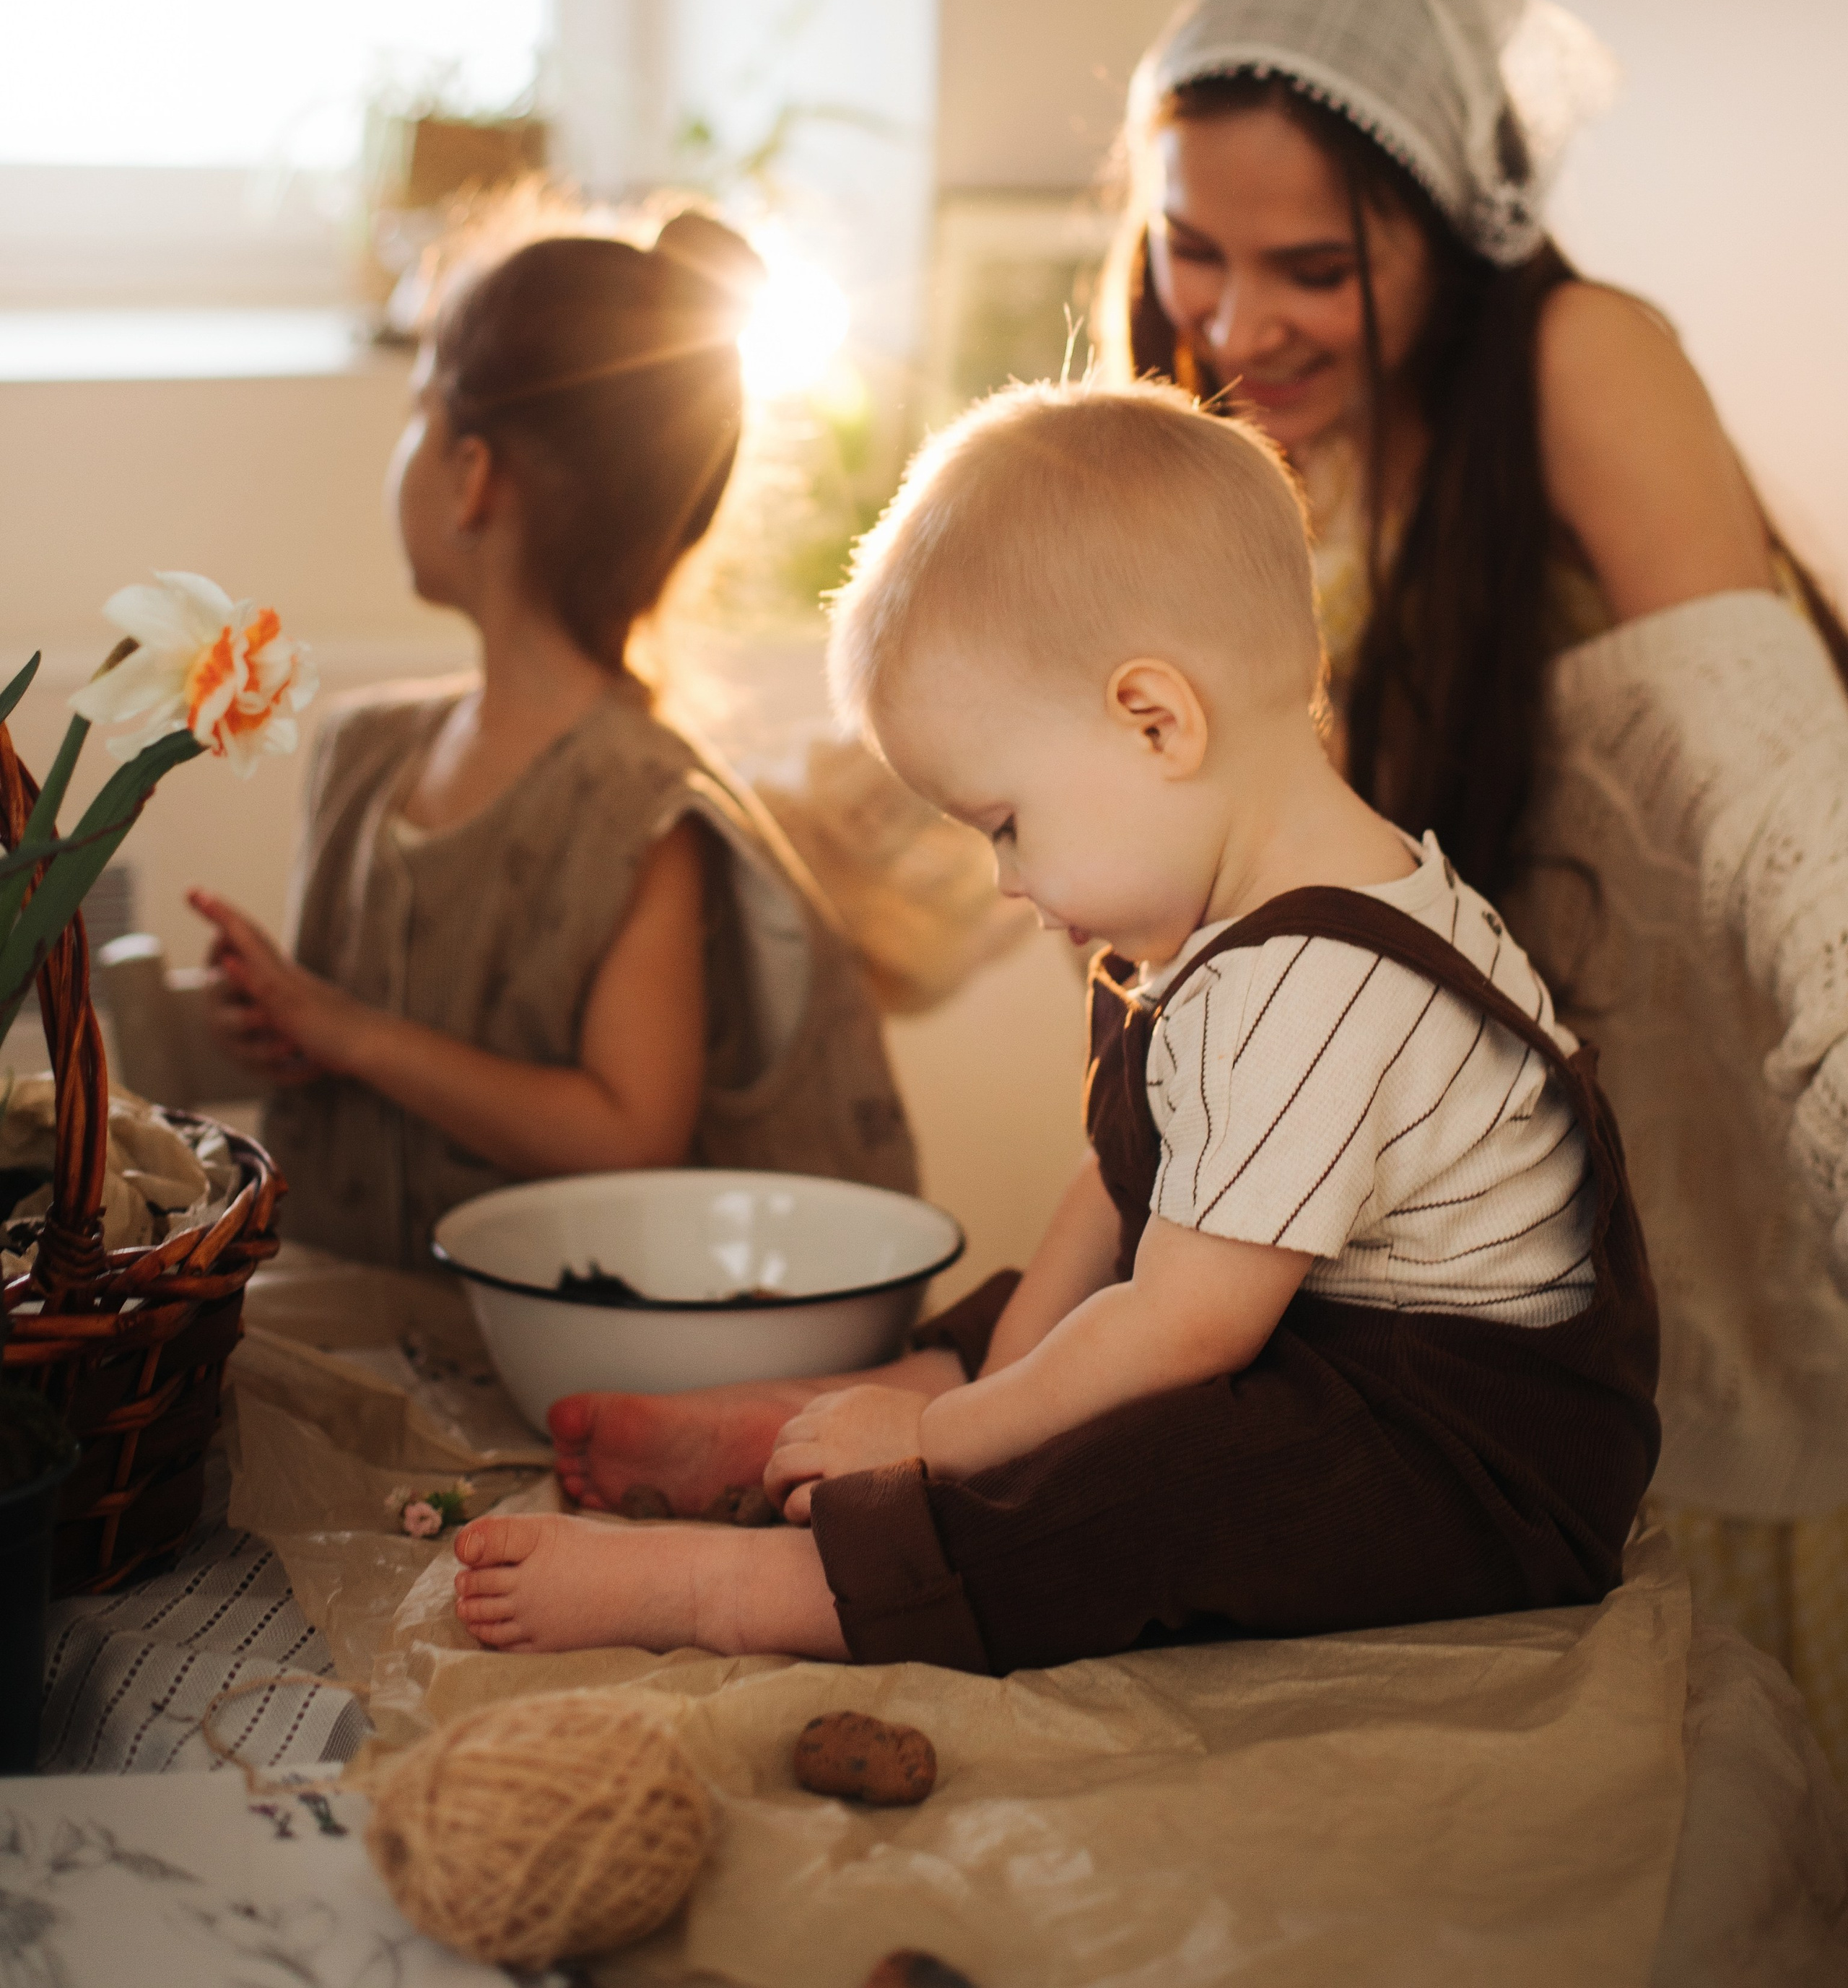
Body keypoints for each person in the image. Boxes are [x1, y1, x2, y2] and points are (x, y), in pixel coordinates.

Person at [451, 383, 1658, 1670]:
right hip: (1310, 1342)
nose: (1007, 883)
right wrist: (990, 1393)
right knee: (1055, 1319)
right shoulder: (1234, 923)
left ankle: (737, 1586)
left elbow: (1187, 1329)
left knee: (1138, 1488)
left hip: (1461, 1459)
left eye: (1007, 825)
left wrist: (946, 1448)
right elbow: (1116, 1188)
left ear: (1155, 722)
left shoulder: (1315, 986)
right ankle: (847, 1412)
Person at [1096, 0, 1848, 1773]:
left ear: (1453, 234)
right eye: (1192, 248)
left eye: (1313, 267)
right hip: (1475, 1249)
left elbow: (1781, 796)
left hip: (1704, 1186)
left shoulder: (1581, 358)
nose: (1233, 323)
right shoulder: (1265, 440)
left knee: (1736, 1792)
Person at [193, 197, 916, 1273]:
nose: (403, 446)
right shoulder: (362, 756)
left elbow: (628, 1130)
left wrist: (352, 1033)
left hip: (516, 1349)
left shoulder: (642, 812)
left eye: (419, 407)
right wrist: (285, 1025)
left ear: (472, 475)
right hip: (332, 1303)